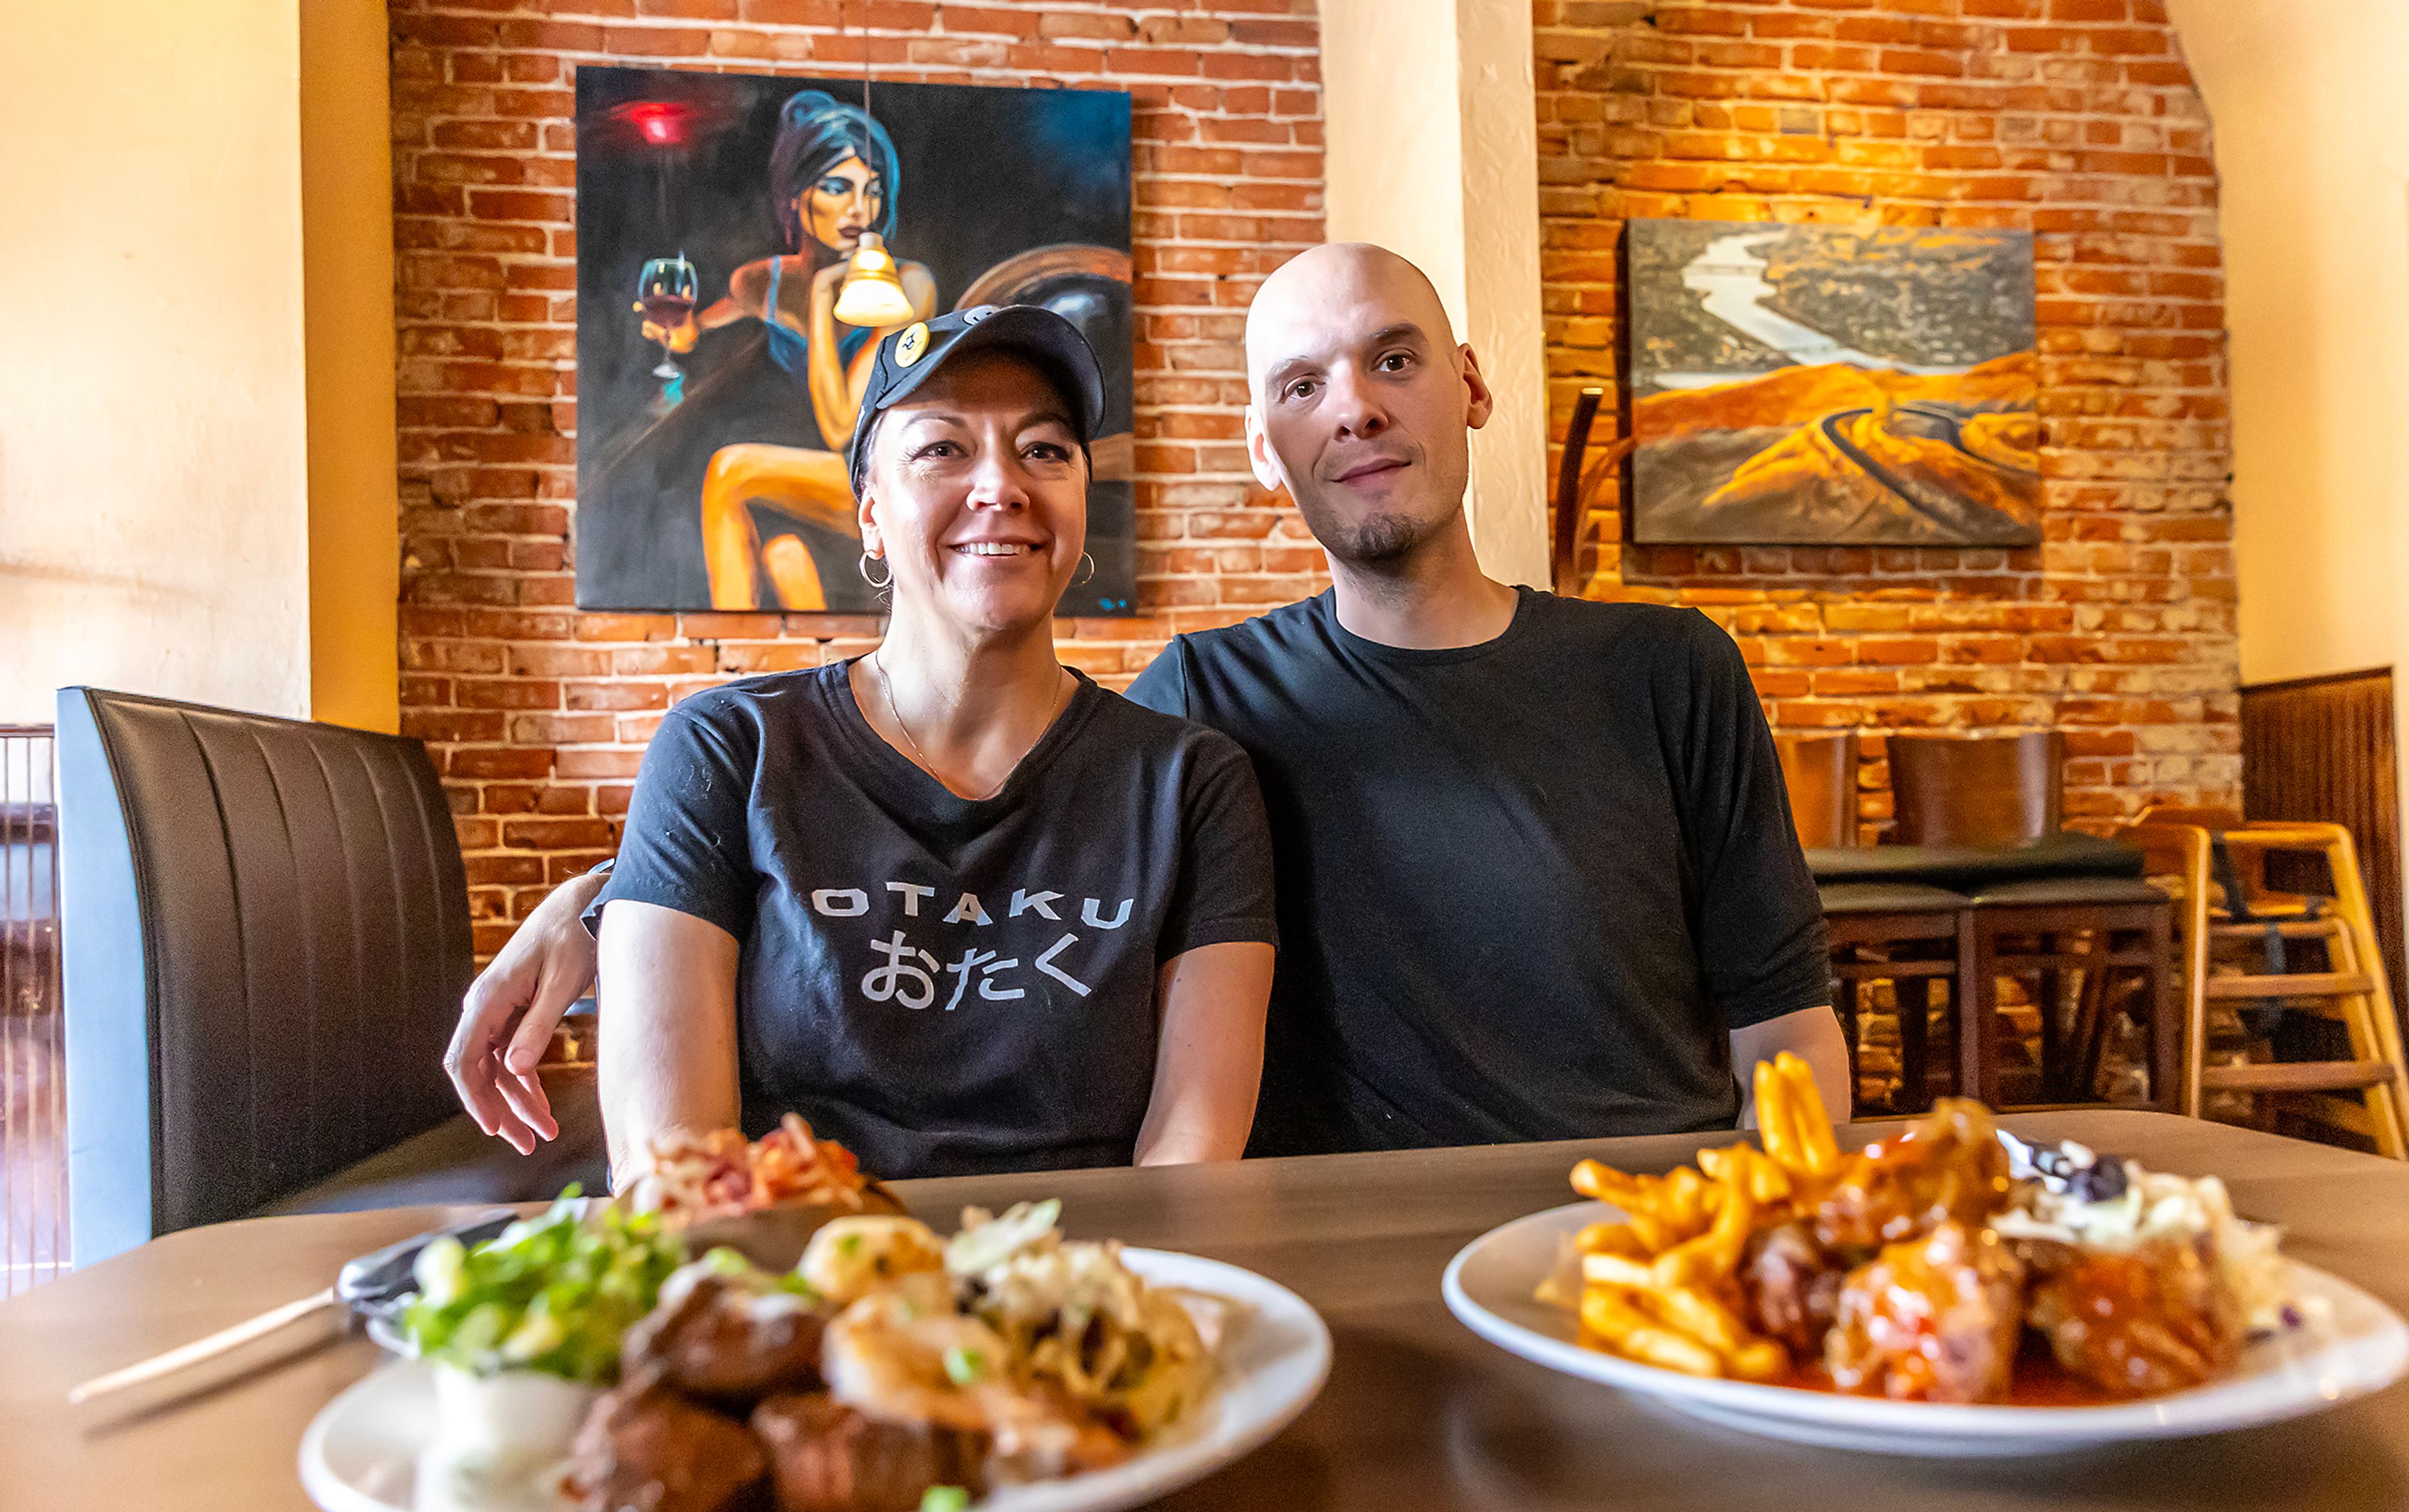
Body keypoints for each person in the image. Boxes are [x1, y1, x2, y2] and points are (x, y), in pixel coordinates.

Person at [451, 243, 1846, 1162]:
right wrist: (631, 901)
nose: (1355, 407)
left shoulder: (1664, 669)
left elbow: (1786, 1030)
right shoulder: (1211, 705)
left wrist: (1782, 1247)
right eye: (1304, 382)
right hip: (1346, 1252)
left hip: (1659, 1221)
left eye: (1396, 358)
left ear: (1470, 387)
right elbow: (904, 811)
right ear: (1265, 446)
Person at [532, 305, 1276, 1183]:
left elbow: (1190, 1162)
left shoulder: (1192, 782)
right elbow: (677, 1175)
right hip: (800, 1287)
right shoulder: (727, 750)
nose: (1002, 485)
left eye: (1044, 449)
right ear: (871, 516)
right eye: (943, 449)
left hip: (1085, 1288)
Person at [634, 91, 939, 610]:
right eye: (838, 187)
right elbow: (704, 323)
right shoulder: (763, 283)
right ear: (796, 197)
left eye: (872, 192)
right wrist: (686, 334)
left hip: (880, 480)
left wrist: (823, 299)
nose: (859, 211)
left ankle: (717, 650)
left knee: (731, 470)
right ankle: (744, 674)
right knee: (786, 560)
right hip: (806, 487)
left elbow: (842, 424)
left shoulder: (906, 287)